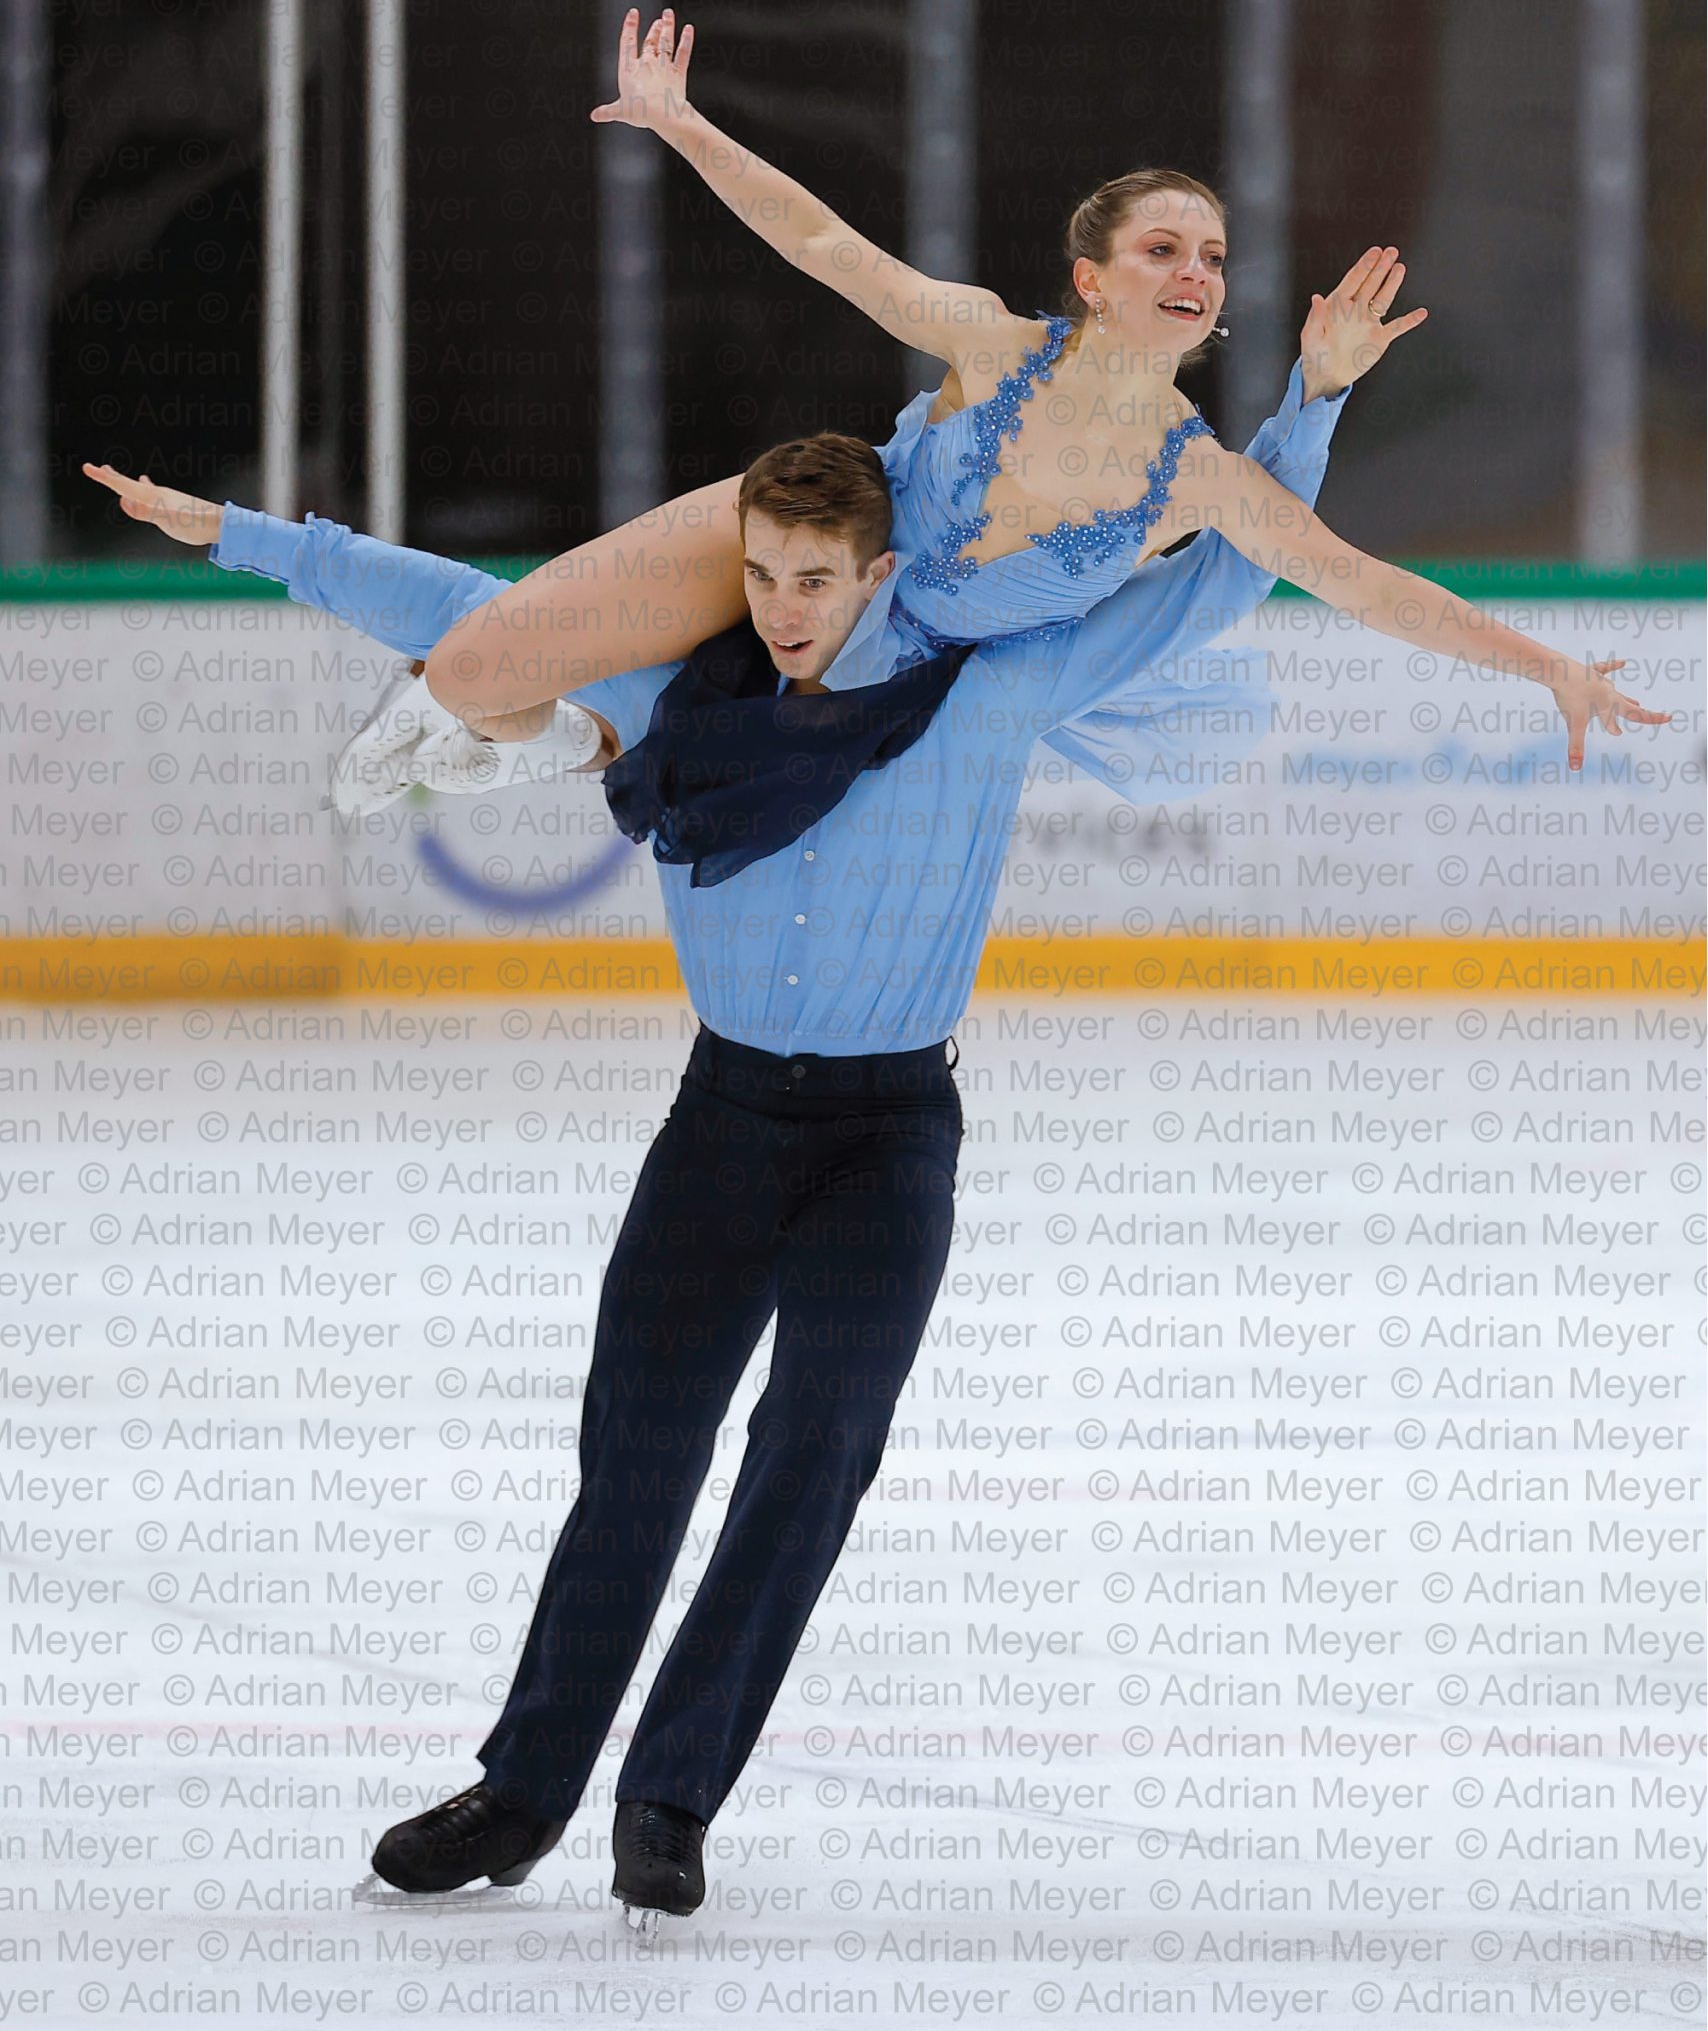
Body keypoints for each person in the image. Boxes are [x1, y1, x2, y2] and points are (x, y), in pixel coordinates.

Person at [83, 410, 1663, 1933]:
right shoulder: (677, 690)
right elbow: (469, 615)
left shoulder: (989, 692)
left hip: (887, 1140)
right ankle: (521, 1793)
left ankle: (670, 1802)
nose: (783, 609)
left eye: (815, 580)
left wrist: (1313, 405)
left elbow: (1225, 576)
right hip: (717, 1126)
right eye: (762, 575)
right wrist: (243, 537)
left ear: (880, 574)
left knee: (812, 1455)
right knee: (634, 1461)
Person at [418, 10, 1433, 805]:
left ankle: (566, 737)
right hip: (810, 549)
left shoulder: (1190, 476)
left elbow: (1321, 568)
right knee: (485, 678)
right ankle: (490, 715)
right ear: (1091, 279)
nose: (1194, 272)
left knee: (678, 775)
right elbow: (821, 244)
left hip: (883, 699)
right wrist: (683, 125)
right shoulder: (994, 346)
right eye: (1162, 250)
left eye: (1212, 256)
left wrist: (1321, 390)